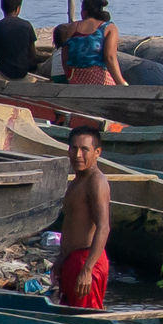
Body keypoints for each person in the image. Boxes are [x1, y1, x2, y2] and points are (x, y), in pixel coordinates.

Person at [54, 127, 111, 309]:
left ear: (97, 153)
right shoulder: (77, 180)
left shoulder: (96, 181)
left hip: (87, 260)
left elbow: (104, 227)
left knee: (86, 321)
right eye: (73, 148)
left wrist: (87, 269)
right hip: (72, 260)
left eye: (84, 149)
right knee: (68, 316)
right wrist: (61, 259)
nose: (78, 155)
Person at [63, 0, 128, 86]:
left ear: (84, 12)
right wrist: (121, 83)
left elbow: (65, 57)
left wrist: (70, 78)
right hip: (100, 80)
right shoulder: (108, 27)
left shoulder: (73, 27)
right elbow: (109, 58)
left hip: (76, 80)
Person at [0, 0, 37, 80]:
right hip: (22, 71)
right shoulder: (27, 25)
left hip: (3, 70)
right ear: (18, 8)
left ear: (2, 7)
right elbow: (32, 54)